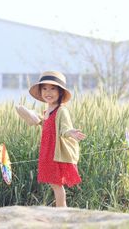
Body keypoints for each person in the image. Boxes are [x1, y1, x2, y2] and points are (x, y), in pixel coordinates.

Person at [28, 71, 86, 207]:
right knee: (54, 184)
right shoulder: (46, 111)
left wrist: (70, 132)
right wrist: (37, 120)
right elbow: (47, 125)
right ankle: (61, 208)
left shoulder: (61, 111)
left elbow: (64, 128)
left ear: (60, 92)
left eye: (53, 88)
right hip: (47, 151)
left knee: (56, 184)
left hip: (56, 153)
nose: (48, 92)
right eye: (45, 88)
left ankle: (62, 209)